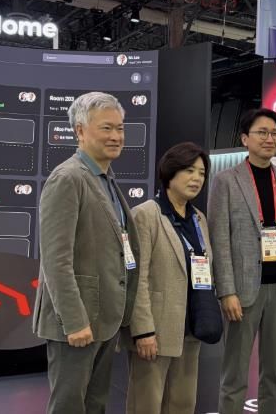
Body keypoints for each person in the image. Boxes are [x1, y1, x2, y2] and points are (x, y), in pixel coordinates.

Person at [33, 92, 139, 414]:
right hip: (78, 323)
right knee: (68, 406)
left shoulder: (106, 179)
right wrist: (75, 321)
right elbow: (56, 260)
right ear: (80, 131)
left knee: (95, 404)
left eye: (120, 128)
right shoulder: (67, 178)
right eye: (107, 128)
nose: (116, 136)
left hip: (104, 318)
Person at [208, 108, 276, 414]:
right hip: (242, 291)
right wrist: (226, 291)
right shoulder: (226, 181)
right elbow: (219, 240)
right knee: (235, 372)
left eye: (274, 133)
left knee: (274, 370)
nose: (269, 138)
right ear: (245, 139)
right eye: (262, 132)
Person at [123, 142, 212, 413]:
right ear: (170, 173)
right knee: (146, 405)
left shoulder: (199, 219)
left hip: (191, 327)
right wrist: (143, 331)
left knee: (183, 404)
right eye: (189, 170)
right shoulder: (145, 215)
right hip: (156, 331)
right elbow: (137, 279)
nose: (197, 178)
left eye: (202, 173)